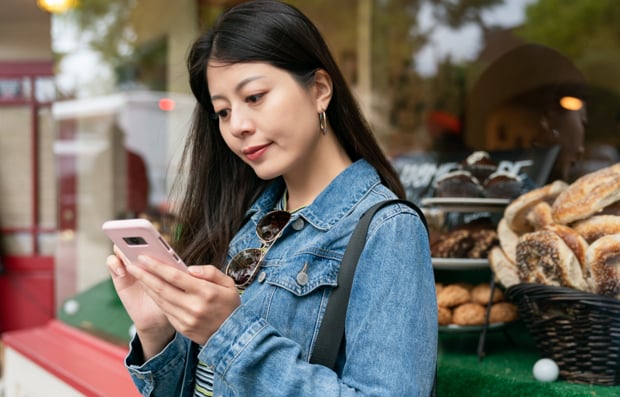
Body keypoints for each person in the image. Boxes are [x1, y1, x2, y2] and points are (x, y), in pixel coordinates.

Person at [105, 1, 437, 396]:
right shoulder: (249, 219)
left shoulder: (388, 230)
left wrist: (228, 332)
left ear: (319, 90)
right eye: (223, 112)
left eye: (255, 97)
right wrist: (157, 331)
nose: (239, 126)